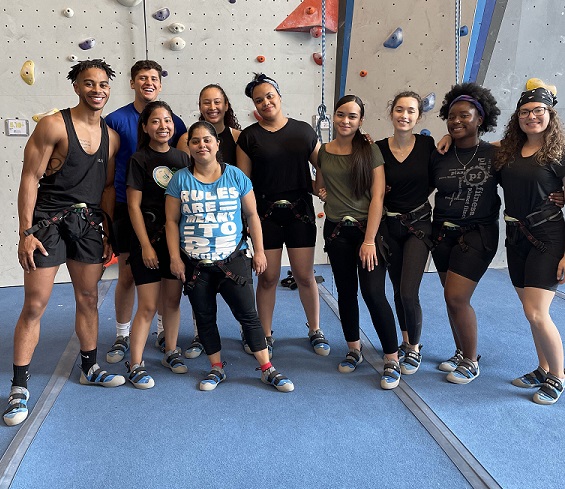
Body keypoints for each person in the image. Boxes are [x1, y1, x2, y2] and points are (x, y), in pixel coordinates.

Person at [3, 59, 123, 427]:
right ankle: (19, 387)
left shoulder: (112, 136)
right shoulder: (53, 124)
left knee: (88, 298)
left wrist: (108, 232)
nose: (97, 90)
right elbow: (29, 178)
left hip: (88, 225)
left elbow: (105, 188)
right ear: (76, 87)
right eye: (89, 84)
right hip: (48, 224)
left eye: (103, 84)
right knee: (36, 303)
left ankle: (90, 367)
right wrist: (26, 233)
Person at [165, 121, 294, 392]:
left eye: (207, 140)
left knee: (248, 315)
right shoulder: (180, 180)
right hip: (195, 263)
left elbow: (252, 216)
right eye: (195, 141)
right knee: (205, 316)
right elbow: (171, 221)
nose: (202, 145)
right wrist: (175, 258)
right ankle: (216, 368)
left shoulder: (235, 176)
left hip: (233, 259)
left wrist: (259, 251)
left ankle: (267, 369)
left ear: (217, 144)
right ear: (188, 147)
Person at [237, 73, 330, 357]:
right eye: (259, 100)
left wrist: (320, 188)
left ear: (279, 96)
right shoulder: (249, 137)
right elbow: (244, 183)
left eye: (269, 96)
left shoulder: (303, 131)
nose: (265, 102)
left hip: (299, 213)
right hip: (265, 217)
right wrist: (249, 222)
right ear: (254, 106)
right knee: (268, 277)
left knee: (304, 275)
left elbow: (325, 163)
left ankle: (315, 329)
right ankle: (264, 334)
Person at [105, 60, 186, 363]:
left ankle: (165, 334)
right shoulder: (114, 119)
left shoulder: (175, 122)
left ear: (160, 84)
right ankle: (122, 335)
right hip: (131, 208)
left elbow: (179, 168)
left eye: (154, 78)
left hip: (168, 211)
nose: (148, 83)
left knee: (168, 279)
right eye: (142, 78)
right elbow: (109, 169)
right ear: (132, 82)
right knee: (127, 275)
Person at [316, 95, 400, 389]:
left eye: (352, 116)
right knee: (346, 292)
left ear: (360, 120)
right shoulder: (324, 152)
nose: (345, 121)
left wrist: (369, 241)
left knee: (374, 293)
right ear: (333, 117)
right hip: (337, 232)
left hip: (369, 233)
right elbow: (319, 185)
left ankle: (392, 358)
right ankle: (354, 349)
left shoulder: (370, 151)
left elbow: (378, 197)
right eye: (341, 115)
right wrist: (323, 193)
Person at [494, 86, 565, 404]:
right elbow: (476, 150)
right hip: (515, 238)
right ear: (517, 117)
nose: (532, 116)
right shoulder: (507, 152)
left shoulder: (559, 155)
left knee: (537, 313)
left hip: (548, 238)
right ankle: (542, 367)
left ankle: (558, 377)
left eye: (539, 111)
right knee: (529, 311)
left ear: (550, 115)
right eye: (525, 111)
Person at [431, 83, 501, 384]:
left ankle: (472, 360)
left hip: (478, 234)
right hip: (442, 233)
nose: (457, 121)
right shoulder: (440, 155)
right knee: (450, 299)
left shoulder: (495, 154)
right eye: (451, 117)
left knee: (457, 297)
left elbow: (526, 177)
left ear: (480, 119)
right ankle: (460, 351)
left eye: (465, 116)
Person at [124, 101, 190, 389]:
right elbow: (134, 207)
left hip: (176, 243)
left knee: (173, 301)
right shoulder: (139, 160)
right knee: (149, 306)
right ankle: (136, 363)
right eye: (156, 121)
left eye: (168, 120)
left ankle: (170, 351)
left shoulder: (183, 158)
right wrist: (145, 246)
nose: (163, 126)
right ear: (145, 127)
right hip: (148, 241)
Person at [176, 84, 242, 358]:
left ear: (226, 105)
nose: (212, 107)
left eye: (217, 102)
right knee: (200, 286)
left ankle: (247, 332)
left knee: (240, 290)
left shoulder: (239, 136)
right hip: (198, 222)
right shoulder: (185, 139)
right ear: (199, 105)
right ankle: (199, 334)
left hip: (231, 216)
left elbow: (245, 178)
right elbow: (184, 178)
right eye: (206, 102)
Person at [376, 92, 436, 375]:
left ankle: (413, 347)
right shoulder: (377, 148)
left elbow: (440, 175)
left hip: (419, 225)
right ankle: (404, 339)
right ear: (391, 114)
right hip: (389, 226)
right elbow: (366, 183)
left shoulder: (427, 144)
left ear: (418, 117)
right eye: (399, 109)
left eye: (411, 111)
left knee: (409, 292)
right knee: (398, 290)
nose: (404, 115)